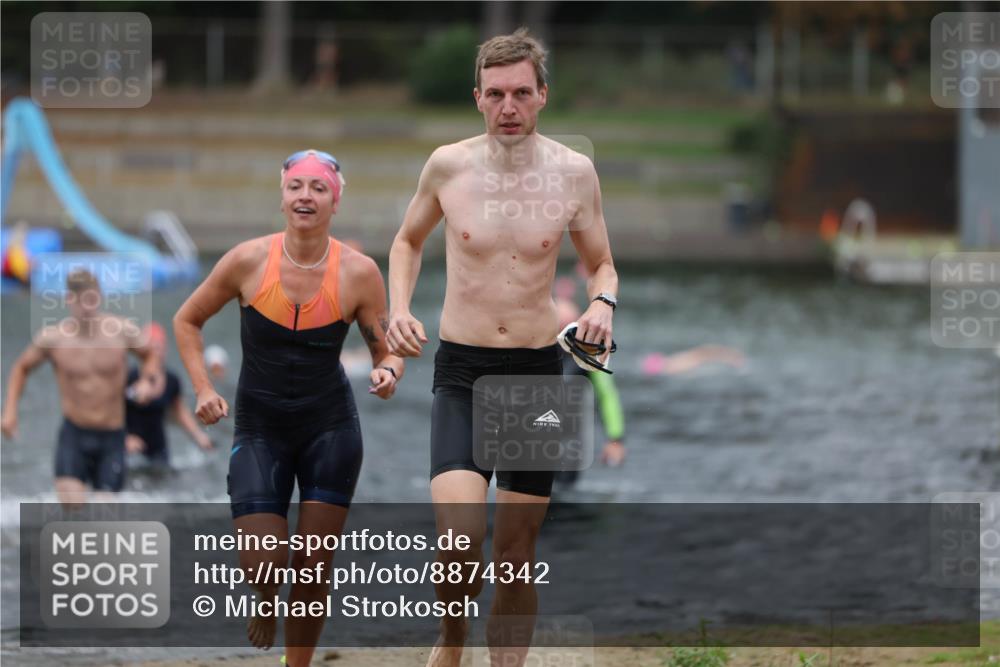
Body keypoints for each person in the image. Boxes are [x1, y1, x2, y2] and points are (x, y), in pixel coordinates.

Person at [386, 29, 618, 667]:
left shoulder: (573, 173)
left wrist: (603, 303)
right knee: (459, 544)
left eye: (521, 93)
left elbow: (602, 264)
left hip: (536, 376)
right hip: (463, 370)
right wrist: (398, 309)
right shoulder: (448, 166)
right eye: (496, 94)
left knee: (516, 555)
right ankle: (453, 639)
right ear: (478, 99)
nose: (508, 106)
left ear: (542, 96)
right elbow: (406, 243)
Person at [173, 149, 403, 667]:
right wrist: (202, 389)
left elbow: (383, 349)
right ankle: (264, 597)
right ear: (282, 196)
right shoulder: (246, 261)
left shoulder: (360, 273)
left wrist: (388, 371)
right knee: (265, 565)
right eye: (296, 186)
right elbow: (186, 320)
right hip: (260, 427)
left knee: (313, 568)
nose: (306, 196)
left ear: (334, 201)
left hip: (330, 427)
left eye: (318, 188)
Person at [1, 268, 161, 506]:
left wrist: (147, 381)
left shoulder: (121, 331)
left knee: (103, 516)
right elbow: (21, 368)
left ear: (100, 297)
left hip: (112, 435)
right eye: (81, 301)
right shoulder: (52, 338)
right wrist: (10, 411)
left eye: (92, 299)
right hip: (74, 434)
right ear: (69, 300)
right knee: (73, 509)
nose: (87, 307)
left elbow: (151, 354)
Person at [553, 295, 626, 487]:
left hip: (569, 445)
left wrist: (615, 438)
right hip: (531, 440)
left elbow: (607, 396)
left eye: (569, 325)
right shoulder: (535, 350)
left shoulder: (587, 356)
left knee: (563, 499)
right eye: (560, 325)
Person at [125, 322, 213, 468]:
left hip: (158, 449)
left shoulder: (172, 380)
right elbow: (112, 412)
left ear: (165, 349)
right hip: (130, 451)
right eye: (151, 346)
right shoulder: (129, 378)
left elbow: (180, 412)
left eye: (159, 346)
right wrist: (125, 439)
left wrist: (199, 437)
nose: (155, 352)